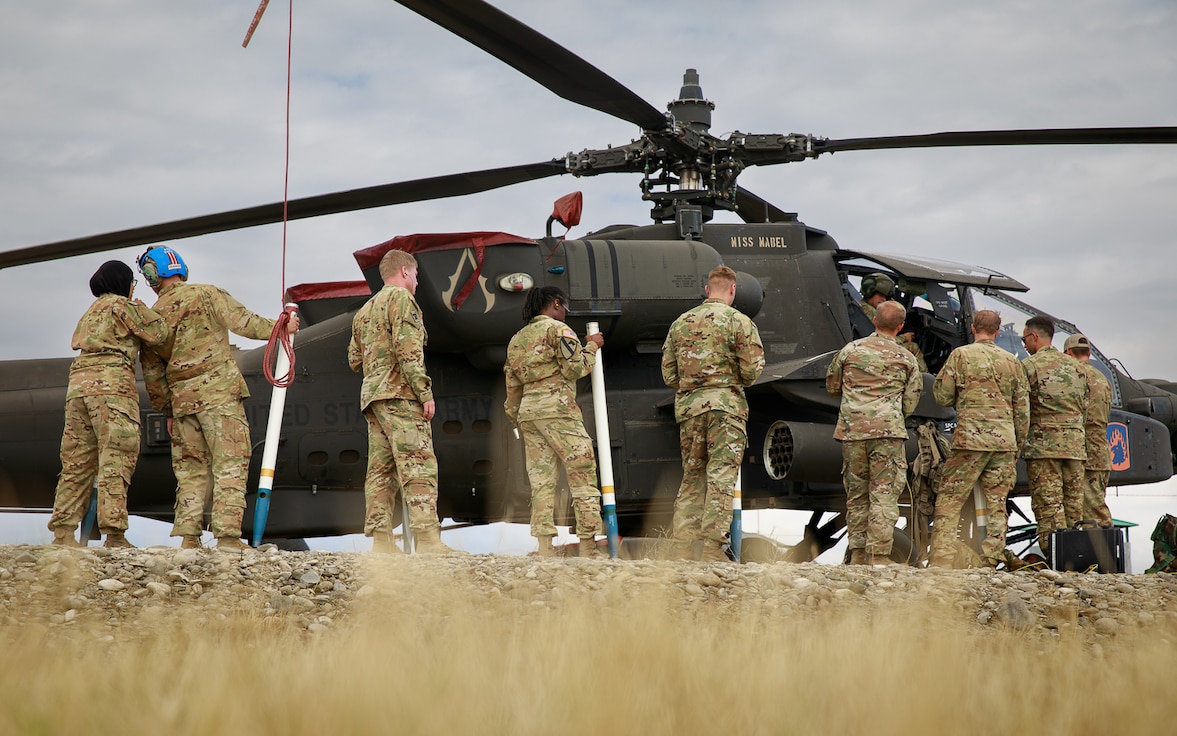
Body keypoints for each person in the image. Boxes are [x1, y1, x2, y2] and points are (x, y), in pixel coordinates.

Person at [139, 246, 298, 551]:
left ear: (152, 276)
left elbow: (152, 373)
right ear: (180, 269)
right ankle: (226, 537)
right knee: (230, 463)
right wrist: (280, 327)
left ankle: (189, 537)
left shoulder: (152, 318)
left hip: (183, 404)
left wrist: (167, 412)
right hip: (219, 397)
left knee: (191, 470)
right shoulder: (207, 294)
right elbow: (244, 323)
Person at [47, 261, 170, 548]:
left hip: (78, 387)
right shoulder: (122, 306)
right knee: (116, 456)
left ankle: (63, 533)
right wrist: (143, 308)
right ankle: (114, 534)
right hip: (111, 385)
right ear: (122, 282)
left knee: (77, 463)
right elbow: (160, 333)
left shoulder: (90, 312)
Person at [348, 248, 458, 555]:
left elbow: (354, 360)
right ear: (406, 272)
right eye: (417, 276)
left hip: (373, 397)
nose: (418, 283)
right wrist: (424, 392)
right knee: (418, 463)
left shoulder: (365, 310)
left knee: (381, 470)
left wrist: (377, 363)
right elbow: (408, 349)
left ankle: (382, 544)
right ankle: (428, 541)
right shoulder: (401, 299)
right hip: (399, 395)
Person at [662, 266, 765, 562]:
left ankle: (681, 549)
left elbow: (669, 375)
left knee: (692, 477)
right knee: (720, 477)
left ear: (707, 290)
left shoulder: (680, 323)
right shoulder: (739, 322)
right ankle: (711, 550)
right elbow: (751, 371)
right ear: (733, 290)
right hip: (726, 410)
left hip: (690, 411)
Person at [504, 286, 605, 558]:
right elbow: (576, 368)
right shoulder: (559, 331)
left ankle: (545, 547)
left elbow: (512, 384)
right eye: (565, 309)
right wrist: (592, 345)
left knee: (541, 481)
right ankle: (588, 544)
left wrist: (515, 414)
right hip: (558, 410)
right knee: (581, 471)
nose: (565, 314)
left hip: (528, 413)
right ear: (556, 304)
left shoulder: (517, 339)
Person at [927, 310, 1029, 568]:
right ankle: (991, 558)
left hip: (969, 441)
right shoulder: (1012, 362)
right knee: (997, 503)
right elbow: (1023, 410)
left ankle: (942, 558)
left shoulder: (960, 356)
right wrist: (1017, 444)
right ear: (997, 331)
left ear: (973, 329)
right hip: (1004, 443)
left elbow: (942, 397)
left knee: (950, 499)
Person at [826, 299, 922, 565]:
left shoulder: (850, 351)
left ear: (875, 320)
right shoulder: (906, 358)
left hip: (852, 432)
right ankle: (877, 556)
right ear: (901, 326)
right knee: (883, 494)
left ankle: (857, 554)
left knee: (857, 495)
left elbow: (833, 387)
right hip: (887, 433)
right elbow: (911, 401)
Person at [1020, 315, 1087, 555]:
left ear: (1035, 337)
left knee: (1049, 507)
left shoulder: (1029, 366)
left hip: (1043, 448)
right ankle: (1076, 559)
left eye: (1024, 339)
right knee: (1073, 507)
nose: (1024, 345)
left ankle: (1056, 559)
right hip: (1076, 448)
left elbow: (1021, 407)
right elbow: (1085, 406)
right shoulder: (1077, 367)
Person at [1064, 333, 1113, 527]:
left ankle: (1102, 553)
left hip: (1084, 451)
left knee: (1092, 513)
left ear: (1068, 352)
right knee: (1095, 504)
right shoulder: (1103, 379)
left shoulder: (1075, 376)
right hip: (1101, 451)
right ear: (1089, 353)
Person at [859, 272, 928, 373]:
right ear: (870, 292)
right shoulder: (870, 312)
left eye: (885, 297)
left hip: (872, 348)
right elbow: (881, 339)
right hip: (875, 349)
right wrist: (905, 337)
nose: (883, 299)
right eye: (880, 295)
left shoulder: (862, 306)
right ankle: (924, 378)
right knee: (912, 347)